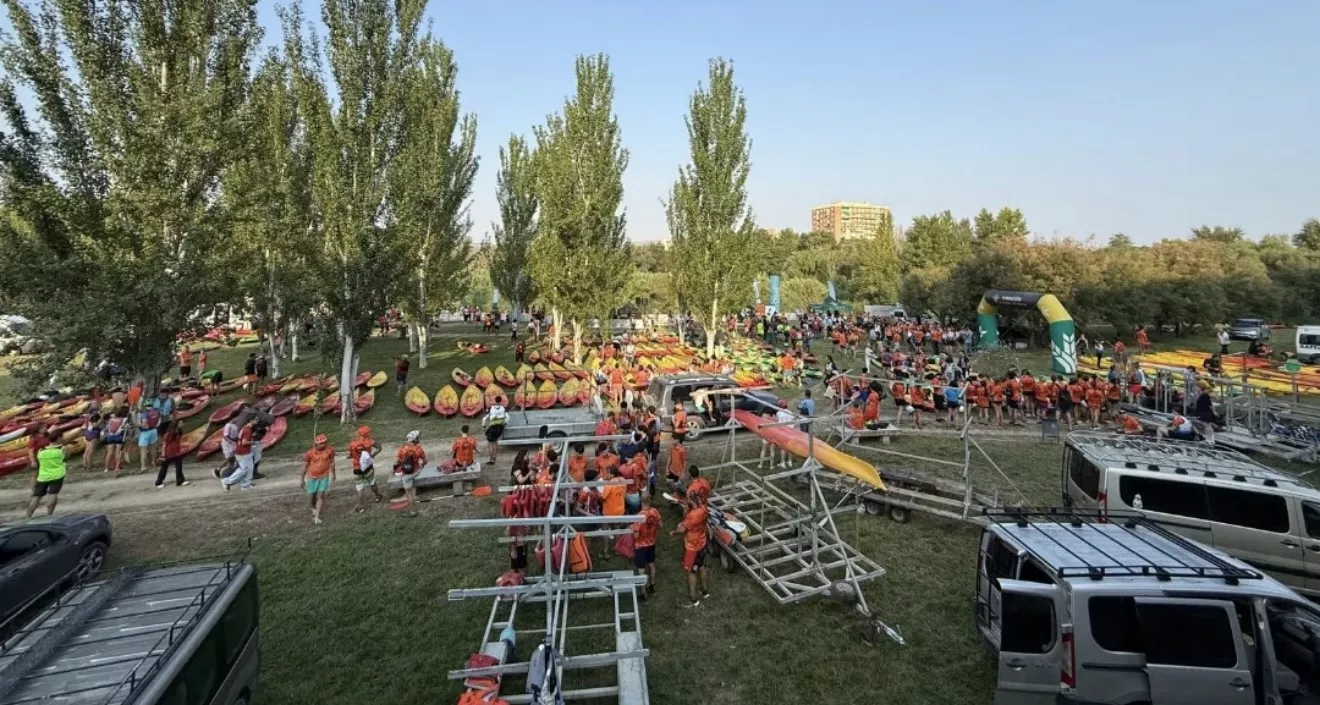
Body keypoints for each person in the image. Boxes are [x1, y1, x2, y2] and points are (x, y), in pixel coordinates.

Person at [671, 494, 710, 608]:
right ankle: (704, 590)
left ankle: (693, 598)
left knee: (691, 572)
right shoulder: (703, 508)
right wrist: (686, 509)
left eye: (688, 500)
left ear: (692, 502)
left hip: (692, 547)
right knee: (701, 566)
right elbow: (688, 521)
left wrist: (674, 532)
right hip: (702, 542)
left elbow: (683, 528)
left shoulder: (692, 515)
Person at [27, 430, 66, 518]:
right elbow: (66, 456)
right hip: (57, 475)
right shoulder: (62, 449)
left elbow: (39, 459)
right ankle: (49, 515)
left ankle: (28, 516)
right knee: (53, 495)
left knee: (36, 497)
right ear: (59, 438)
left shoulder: (41, 450)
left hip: (43, 476)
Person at [301, 434, 336, 524]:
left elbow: (332, 462)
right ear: (316, 444)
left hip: (324, 476)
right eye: (320, 443)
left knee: (320, 496)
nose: (323, 445)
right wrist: (302, 479)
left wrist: (333, 474)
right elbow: (305, 466)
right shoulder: (310, 453)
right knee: (312, 495)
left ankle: (316, 516)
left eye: (324, 443)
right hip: (312, 477)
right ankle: (313, 507)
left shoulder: (330, 451)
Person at [632, 493, 662, 599]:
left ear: (640, 501)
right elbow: (661, 525)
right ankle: (652, 585)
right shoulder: (655, 512)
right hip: (652, 543)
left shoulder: (639, 517)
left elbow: (635, 536)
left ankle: (643, 593)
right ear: (650, 500)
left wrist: (632, 529)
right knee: (651, 564)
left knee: (641, 569)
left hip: (641, 546)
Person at [348, 425, 383, 511]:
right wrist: (372, 455)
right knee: (372, 482)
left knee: (359, 488)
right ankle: (377, 496)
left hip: (357, 468)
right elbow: (379, 447)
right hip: (368, 466)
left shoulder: (352, 443)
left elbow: (348, 455)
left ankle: (361, 507)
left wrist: (355, 456)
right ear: (367, 433)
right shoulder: (370, 441)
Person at [393, 430, 427, 509]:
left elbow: (396, 463)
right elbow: (425, 461)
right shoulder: (419, 449)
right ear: (414, 439)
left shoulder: (402, 449)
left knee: (409, 494)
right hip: (416, 472)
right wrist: (421, 467)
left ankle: (412, 510)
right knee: (410, 484)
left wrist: (395, 470)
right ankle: (411, 490)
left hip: (406, 474)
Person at [221, 420, 256, 491]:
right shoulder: (247, 429)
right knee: (243, 469)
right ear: (250, 420)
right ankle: (226, 481)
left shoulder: (244, 428)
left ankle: (245, 485)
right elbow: (244, 442)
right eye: (256, 419)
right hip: (242, 452)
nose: (257, 421)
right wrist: (254, 442)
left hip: (243, 451)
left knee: (249, 468)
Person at [154, 421, 189, 488]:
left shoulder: (179, 432)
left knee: (179, 467)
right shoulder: (168, 434)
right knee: (164, 468)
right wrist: (163, 454)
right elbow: (164, 444)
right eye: (180, 423)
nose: (182, 423)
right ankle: (158, 482)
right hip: (169, 453)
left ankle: (180, 481)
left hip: (177, 452)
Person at [136, 401, 163, 473]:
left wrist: (138, 425)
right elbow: (159, 421)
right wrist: (155, 426)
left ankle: (143, 467)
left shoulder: (145, 413)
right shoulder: (157, 411)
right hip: (154, 431)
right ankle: (153, 462)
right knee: (153, 448)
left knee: (143, 450)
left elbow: (144, 424)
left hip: (145, 432)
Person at [481, 397, 508, 466]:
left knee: (490, 444)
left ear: (495, 400)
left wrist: (484, 426)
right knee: (495, 442)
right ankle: (495, 456)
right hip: (500, 427)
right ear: (501, 401)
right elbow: (507, 417)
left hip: (493, 427)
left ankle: (491, 460)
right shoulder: (503, 408)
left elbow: (485, 419)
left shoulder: (491, 408)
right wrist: (504, 424)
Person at [103, 409, 129, 473]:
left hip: (110, 437)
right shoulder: (123, 419)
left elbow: (107, 428)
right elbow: (124, 427)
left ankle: (106, 468)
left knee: (109, 452)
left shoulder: (110, 420)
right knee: (118, 452)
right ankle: (117, 467)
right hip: (118, 437)